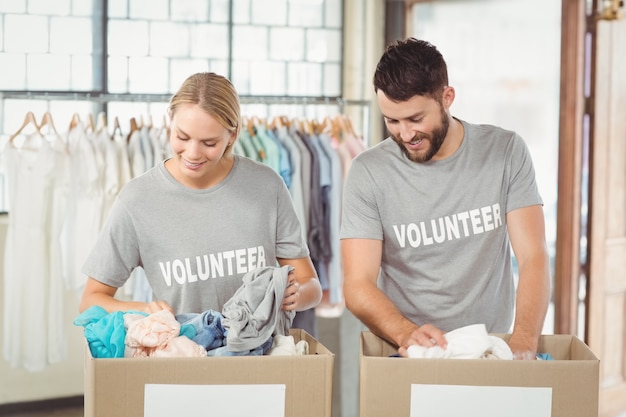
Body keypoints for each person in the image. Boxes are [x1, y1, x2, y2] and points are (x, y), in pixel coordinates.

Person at [340, 38, 550, 360]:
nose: (405, 135)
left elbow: (533, 257)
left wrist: (523, 339)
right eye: (392, 121)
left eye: (415, 119)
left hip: (491, 350)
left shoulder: (505, 152)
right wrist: (407, 333)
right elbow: (357, 283)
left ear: (447, 98)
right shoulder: (368, 172)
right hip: (408, 352)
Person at [79, 72, 322, 319]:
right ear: (169, 121)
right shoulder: (136, 200)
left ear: (233, 135)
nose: (193, 153)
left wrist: (297, 294)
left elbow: (310, 283)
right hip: (182, 354)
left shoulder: (267, 186)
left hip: (263, 355)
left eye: (209, 143)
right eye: (182, 137)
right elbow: (91, 301)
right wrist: (144, 310)